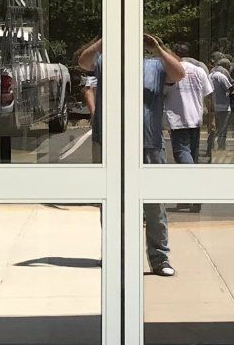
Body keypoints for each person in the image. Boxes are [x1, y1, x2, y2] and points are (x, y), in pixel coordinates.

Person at [75, 33, 185, 274]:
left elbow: (178, 73)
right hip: (109, 143)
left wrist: (157, 47)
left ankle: (159, 259)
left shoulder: (155, 65)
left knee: (154, 205)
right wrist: (106, 37)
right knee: (113, 203)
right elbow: (83, 61)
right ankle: (116, 255)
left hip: (148, 144)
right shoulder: (105, 62)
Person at [164, 41, 211, 167]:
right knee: (192, 153)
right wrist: (211, 117)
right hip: (195, 117)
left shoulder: (171, 71)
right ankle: (193, 180)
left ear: (174, 54)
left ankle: (191, 174)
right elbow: (208, 94)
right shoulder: (199, 71)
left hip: (178, 119)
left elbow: (163, 93)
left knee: (181, 152)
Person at [205, 53, 234, 162]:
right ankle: (221, 148)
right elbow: (230, 89)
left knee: (212, 129)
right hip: (223, 107)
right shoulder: (221, 76)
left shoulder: (209, 76)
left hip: (212, 107)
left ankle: (209, 148)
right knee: (222, 130)